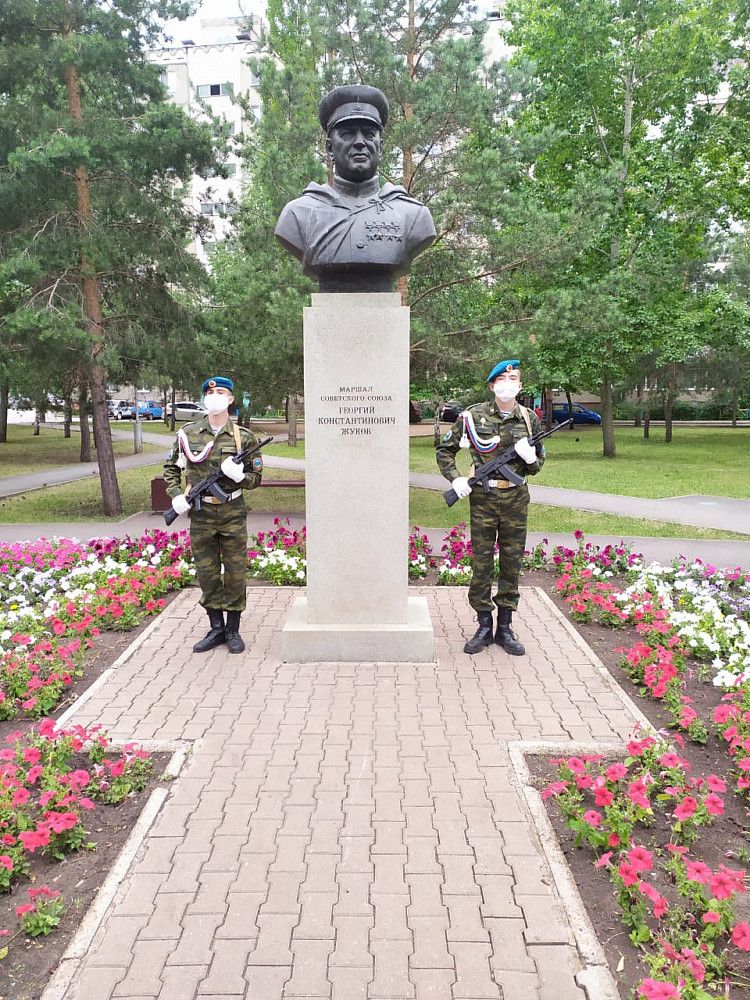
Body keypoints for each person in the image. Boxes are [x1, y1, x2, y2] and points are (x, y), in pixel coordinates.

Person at [274, 85, 436, 292]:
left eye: (369, 134)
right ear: (330, 147)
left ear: (381, 145)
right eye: (348, 134)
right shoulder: (299, 214)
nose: (360, 142)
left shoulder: (413, 216)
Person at [436, 360, 545, 656]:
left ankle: (505, 627)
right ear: (492, 385)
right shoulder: (472, 416)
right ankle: (484, 625)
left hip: (516, 499)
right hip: (483, 499)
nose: (508, 383)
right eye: (503, 378)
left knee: (512, 562)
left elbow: (537, 466)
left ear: (520, 386)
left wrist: (530, 458)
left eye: (514, 378)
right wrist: (456, 478)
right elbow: (444, 450)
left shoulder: (529, 419)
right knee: (482, 563)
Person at [163, 377, 264, 654]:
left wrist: (241, 476)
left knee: (234, 573)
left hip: (232, 512)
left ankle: (232, 629)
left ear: (231, 399)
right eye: (211, 393)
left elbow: (256, 479)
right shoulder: (188, 433)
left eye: (221, 393)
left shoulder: (244, 437)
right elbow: (171, 467)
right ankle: (216, 627)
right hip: (201, 513)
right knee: (206, 572)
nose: (215, 397)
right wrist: (176, 495)